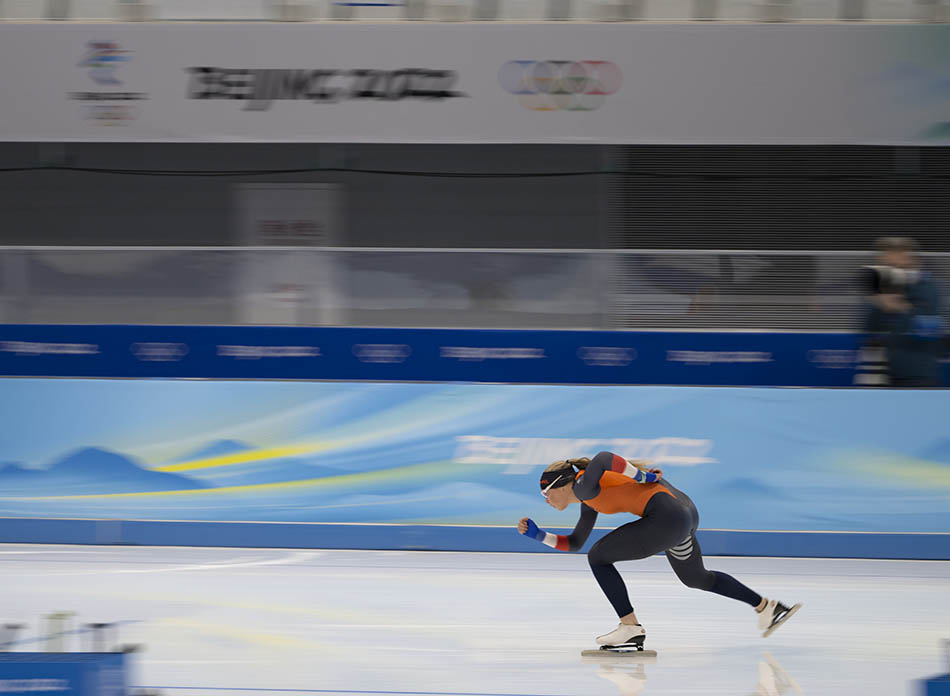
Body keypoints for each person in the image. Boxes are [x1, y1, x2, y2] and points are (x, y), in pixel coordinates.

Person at [517, 451, 799, 649]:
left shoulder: (583, 486)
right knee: (697, 578)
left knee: (598, 557)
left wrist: (641, 477)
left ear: (560, 485)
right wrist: (539, 535)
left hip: (666, 517)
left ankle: (629, 627)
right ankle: (767, 607)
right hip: (684, 516)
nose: (546, 501)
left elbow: (604, 457)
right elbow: (575, 542)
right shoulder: (588, 499)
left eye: (546, 495)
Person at [860, 236, 943, 387]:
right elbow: (867, 328)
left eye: (895, 265)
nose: (891, 271)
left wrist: (898, 307)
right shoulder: (880, 288)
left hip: (916, 376)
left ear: (912, 262)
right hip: (879, 376)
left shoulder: (928, 288)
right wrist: (877, 304)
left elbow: (929, 330)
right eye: (885, 265)